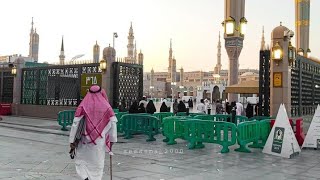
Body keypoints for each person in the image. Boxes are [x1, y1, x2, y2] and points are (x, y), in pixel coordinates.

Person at [69, 85, 117, 180]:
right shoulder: (107, 107)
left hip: (84, 141)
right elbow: (113, 123)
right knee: (97, 163)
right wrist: (112, 140)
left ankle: (84, 176)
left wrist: (72, 140)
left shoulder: (83, 105)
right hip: (99, 143)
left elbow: (76, 123)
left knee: (82, 161)